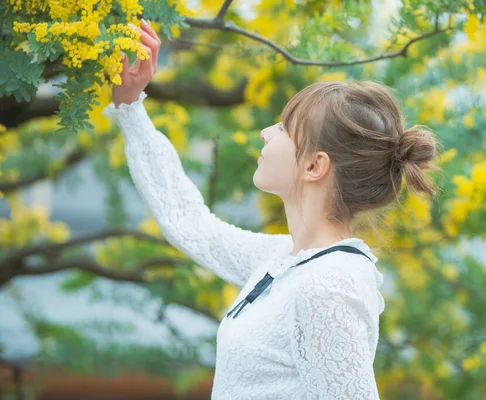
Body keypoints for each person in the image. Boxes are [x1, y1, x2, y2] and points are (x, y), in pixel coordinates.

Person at [103, 20, 439, 400]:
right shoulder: (286, 260)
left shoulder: (329, 286)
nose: (266, 132)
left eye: (283, 127)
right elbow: (192, 226)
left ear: (314, 166)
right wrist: (130, 105)